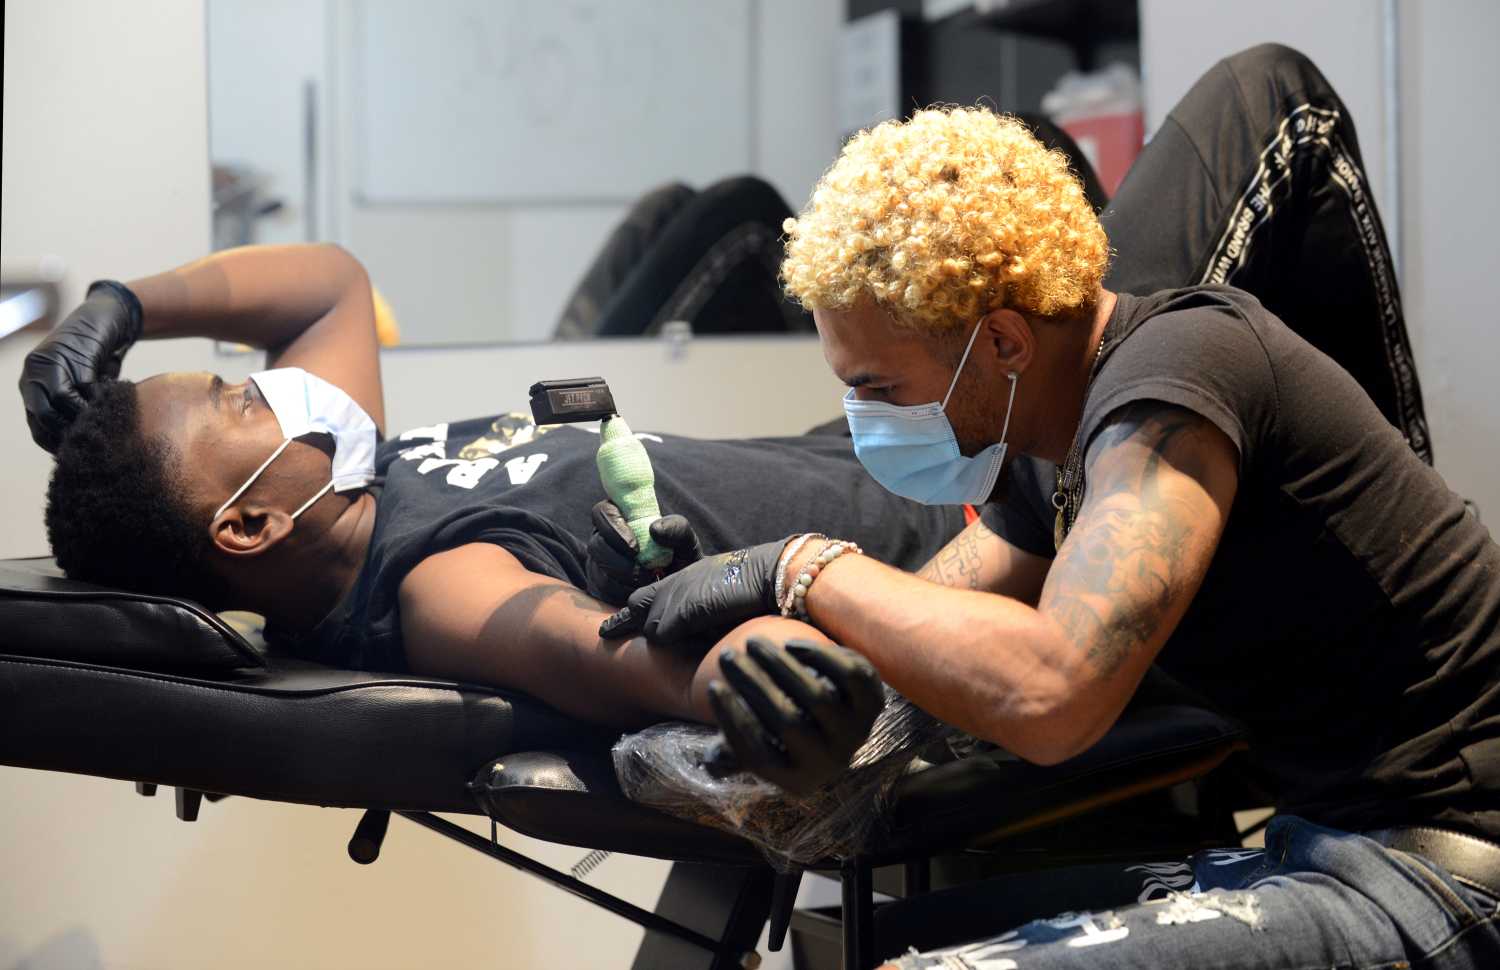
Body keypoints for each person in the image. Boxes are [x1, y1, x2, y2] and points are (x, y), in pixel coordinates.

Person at [601, 44, 1500, 967]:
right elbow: (913, 642)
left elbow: (1052, 692)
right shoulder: (1043, 449)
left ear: (1001, 340)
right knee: (848, 950)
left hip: (1444, 869)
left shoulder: (1178, 378)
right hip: (1315, 848)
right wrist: (739, 643)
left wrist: (800, 568)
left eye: (878, 386)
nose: (863, 419)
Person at [17, 239, 976, 793]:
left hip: (890, 440)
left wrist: (122, 306)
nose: (272, 388)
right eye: (237, 403)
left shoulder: (359, 482)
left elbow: (330, 283)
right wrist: (745, 676)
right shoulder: (433, 587)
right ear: (249, 525)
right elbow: (594, 656)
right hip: (958, 534)